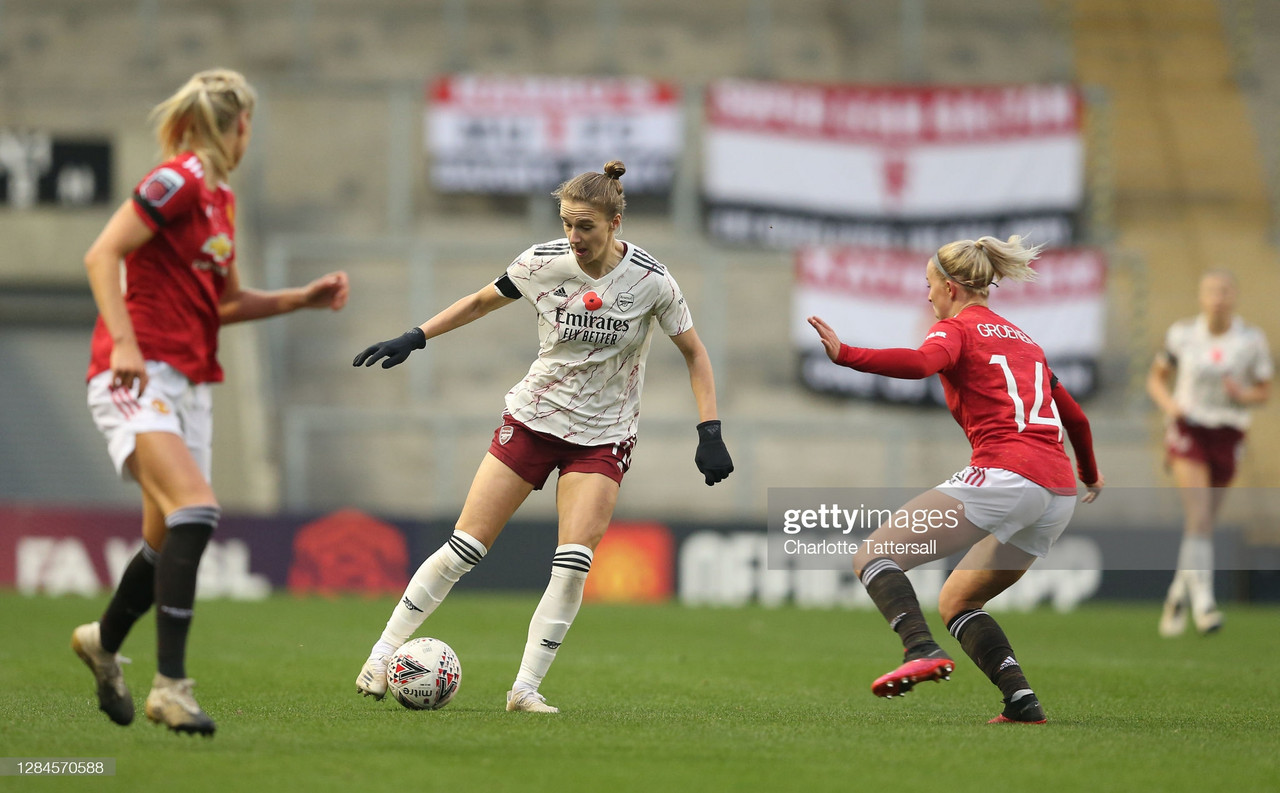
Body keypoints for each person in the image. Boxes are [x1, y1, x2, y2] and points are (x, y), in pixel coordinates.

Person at [352, 160, 733, 713]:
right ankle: (382, 653)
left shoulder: (652, 281)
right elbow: (481, 301)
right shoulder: (541, 262)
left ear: (616, 222)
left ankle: (524, 689)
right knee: (465, 549)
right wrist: (417, 336)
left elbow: (695, 354)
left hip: (603, 435)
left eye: (586, 226)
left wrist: (710, 430)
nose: (574, 238)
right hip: (533, 419)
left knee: (574, 560)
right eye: (567, 224)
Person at [72, 69, 350, 736]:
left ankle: (102, 644)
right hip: (138, 376)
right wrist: (125, 345)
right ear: (237, 126)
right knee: (196, 508)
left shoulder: (220, 201)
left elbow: (222, 303)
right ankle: (170, 686)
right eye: (247, 123)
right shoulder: (178, 181)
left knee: (163, 538)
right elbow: (101, 253)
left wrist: (298, 298)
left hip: (190, 383)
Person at [808, 235, 1102, 724]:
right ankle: (1021, 701)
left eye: (928, 285)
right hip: (1057, 493)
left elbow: (922, 363)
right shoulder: (1028, 343)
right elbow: (1077, 420)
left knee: (873, 555)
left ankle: (919, 649)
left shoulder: (959, 329)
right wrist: (1090, 475)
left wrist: (847, 355)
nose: (927, 297)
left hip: (1006, 474)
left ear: (949, 287)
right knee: (959, 599)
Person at [1147, 270, 1271, 637]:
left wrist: (1243, 394)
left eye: (1224, 291)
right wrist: (1171, 407)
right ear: (1201, 297)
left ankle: (1175, 596)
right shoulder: (1183, 334)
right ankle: (1205, 604)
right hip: (1189, 428)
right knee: (1199, 516)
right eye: (1211, 291)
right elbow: (1156, 378)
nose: (1218, 297)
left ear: (1234, 296)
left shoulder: (1250, 339)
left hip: (1229, 432)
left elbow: (1264, 389)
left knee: (1201, 526)